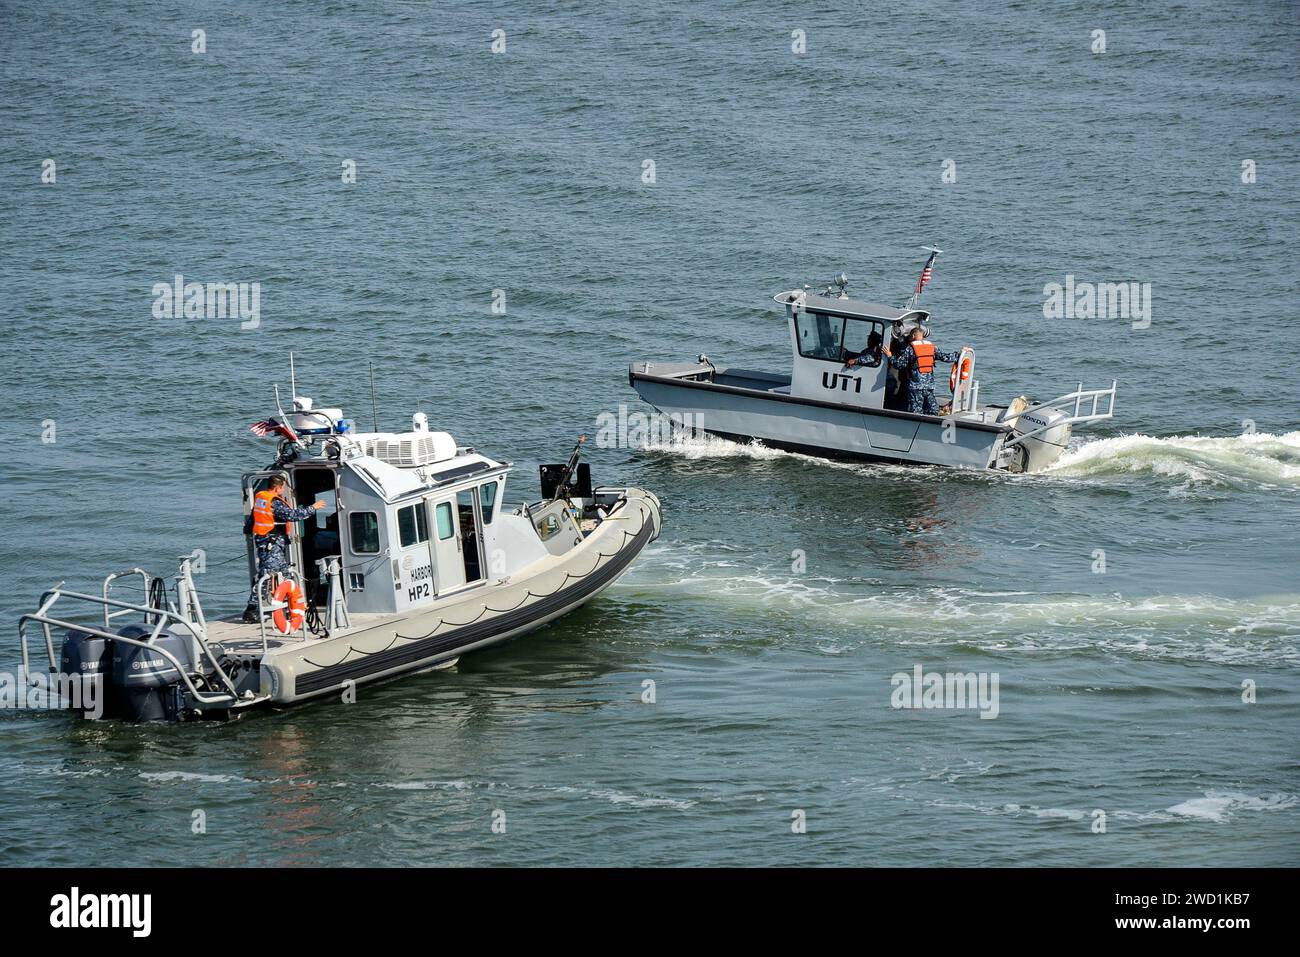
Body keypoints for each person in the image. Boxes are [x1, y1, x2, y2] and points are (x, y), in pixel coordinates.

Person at [243, 475, 325, 623]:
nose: (283, 491)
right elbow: (292, 515)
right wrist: (314, 507)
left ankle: (293, 607)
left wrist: (248, 530)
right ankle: (252, 609)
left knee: (285, 575)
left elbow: (253, 519)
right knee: (267, 576)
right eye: (282, 488)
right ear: (277, 487)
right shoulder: (274, 502)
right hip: (271, 544)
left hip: (269, 543)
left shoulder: (261, 498)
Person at [882, 326, 963, 416]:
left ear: (913, 336)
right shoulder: (932, 347)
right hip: (929, 386)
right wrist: (960, 354)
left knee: (916, 412)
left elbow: (899, 365)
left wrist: (889, 356)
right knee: (933, 410)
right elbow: (946, 357)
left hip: (915, 387)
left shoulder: (910, 348)